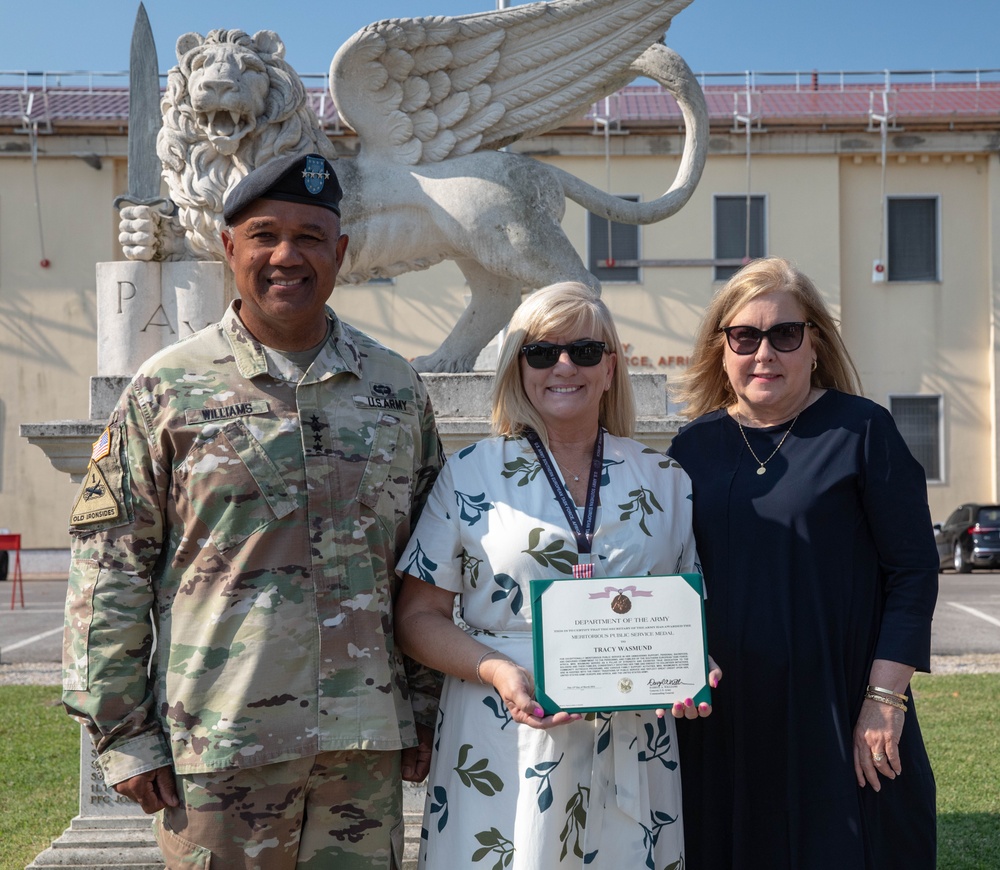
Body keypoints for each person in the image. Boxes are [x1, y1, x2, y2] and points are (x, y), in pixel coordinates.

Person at [63, 153, 444, 869]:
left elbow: (430, 567)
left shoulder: (396, 389)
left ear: (341, 252)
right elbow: (108, 571)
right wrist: (124, 734)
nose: (285, 256)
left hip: (362, 750)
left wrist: (425, 709)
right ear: (229, 248)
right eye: (264, 234)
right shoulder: (166, 388)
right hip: (218, 745)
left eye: (308, 236)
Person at [394, 282, 720, 869]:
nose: (563, 366)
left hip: (633, 740)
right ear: (517, 368)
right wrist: (498, 670)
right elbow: (417, 617)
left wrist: (693, 665)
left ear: (610, 368)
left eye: (585, 352)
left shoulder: (666, 479)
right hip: (504, 732)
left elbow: (684, 609)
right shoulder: (470, 473)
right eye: (541, 352)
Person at [668, 256, 938, 869]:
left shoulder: (863, 431)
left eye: (785, 334)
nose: (765, 352)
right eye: (745, 335)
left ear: (813, 344)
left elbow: (913, 573)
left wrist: (884, 699)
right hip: (724, 718)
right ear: (722, 349)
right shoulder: (691, 449)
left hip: (841, 709)